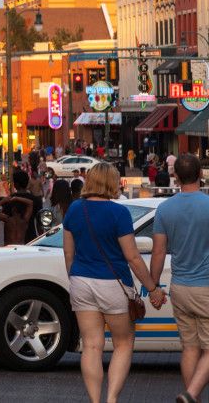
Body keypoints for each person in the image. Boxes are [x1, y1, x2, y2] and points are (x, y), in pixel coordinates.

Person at [64, 162, 164, 403]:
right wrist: (152, 288)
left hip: (80, 280)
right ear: (111, 182)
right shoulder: (119, 213)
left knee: (91, 346)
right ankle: (111, 399)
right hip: (113, 283)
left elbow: (69, 253)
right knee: (123, 343)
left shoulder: (75, 209)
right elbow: (132, 257)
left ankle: (95, 400)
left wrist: (76, 277)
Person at [149, 153, 209, 403]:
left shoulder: (165, 209)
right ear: (201, 175)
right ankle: (192, 393)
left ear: (175, 177)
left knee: (190, 347)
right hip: (206, 285)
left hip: (179, 286)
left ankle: (190, 397)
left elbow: (159, 251)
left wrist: (153, 286)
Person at [0, 170, 35, 246]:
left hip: (9, 246)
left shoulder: (7, 219)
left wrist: (3, 201)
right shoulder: (24, 220)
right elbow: (30, 203)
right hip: (22, 246)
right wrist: (17, 198)